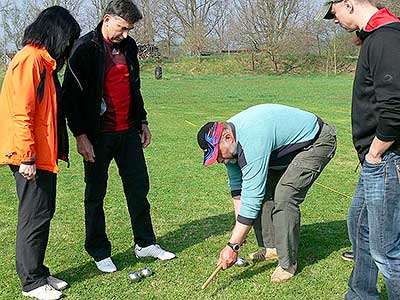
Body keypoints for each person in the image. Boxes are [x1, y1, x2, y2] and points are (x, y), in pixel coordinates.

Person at [61, 0, 175, 273]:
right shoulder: (84, 49)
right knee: (96, 194)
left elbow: (134, 86)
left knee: (138, 187)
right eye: (123, 28)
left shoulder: (130, 47)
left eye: (129, 30)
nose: (126, 34)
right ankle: (99, 250)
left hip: (128, 131)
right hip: (97, 136)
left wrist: (143, 120)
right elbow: (70, 98)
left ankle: (145, 243)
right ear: (107, 19)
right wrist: (80, 135)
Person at [197, 104, 336, 282]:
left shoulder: (251, 140)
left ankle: (287, 264)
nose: (218, 160)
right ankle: (272, 248)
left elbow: (252, 199)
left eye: (217, 153)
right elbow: (238, 188)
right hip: (281, 152)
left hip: (316, 142)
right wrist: (239, 232)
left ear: (228, 137)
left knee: (284, 196)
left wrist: (233, 246)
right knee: (263, 193)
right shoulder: (230, 147)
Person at [317, 1, 400, 299]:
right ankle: (360, 294)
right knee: (359, 225)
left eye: (334, 14)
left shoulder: (386, 39)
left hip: (385, 159)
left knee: (386, 250)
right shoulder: (378, 36)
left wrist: (376, 152)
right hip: (375, 161)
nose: (334, 21)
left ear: (348, 4)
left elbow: (395, 108)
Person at [0, 6, 80, 300]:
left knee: (43, 213)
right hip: (28, 156)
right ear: (56, 33)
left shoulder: (44, 64)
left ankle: (39, 271)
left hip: (41, 155)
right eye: (69, 38)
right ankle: (31, 282)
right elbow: (21, 113)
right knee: (33, 216)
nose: (69, 46)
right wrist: (27, 157)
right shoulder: (29, 60)